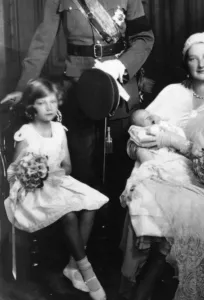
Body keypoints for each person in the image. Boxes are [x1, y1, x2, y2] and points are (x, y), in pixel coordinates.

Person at [1, 0, 154, 257]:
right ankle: (82, 248)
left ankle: (118, 245)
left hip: (119, 85)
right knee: (80, 169)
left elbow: (144, 38)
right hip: (78, 87)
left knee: (120, 168)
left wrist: (121, 66)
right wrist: (24, 85)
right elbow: (43, 40)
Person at [119, 32, 204, 300]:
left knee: (188, 209)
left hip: (197, 179)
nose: (201, 63)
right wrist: (141, 150)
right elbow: (135, 139)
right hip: (157, 171)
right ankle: (139, 286)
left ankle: (145, 289)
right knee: (145, 197)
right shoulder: (172, 92)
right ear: (186, 64)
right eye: (193, 58)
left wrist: (186, 148)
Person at [4, 78, 109, 300]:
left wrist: (52, 171)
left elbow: (68, 166)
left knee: (92, 205)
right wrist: (32, 173)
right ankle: (87, 271)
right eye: (43, 103)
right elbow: (13, 172)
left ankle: (72, 265)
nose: (50, 107)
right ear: (32, 106)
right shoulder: (27, 132)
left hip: (57, 181)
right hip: (32, 189)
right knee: (69, 215)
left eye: (53, 102)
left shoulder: (59, 130)